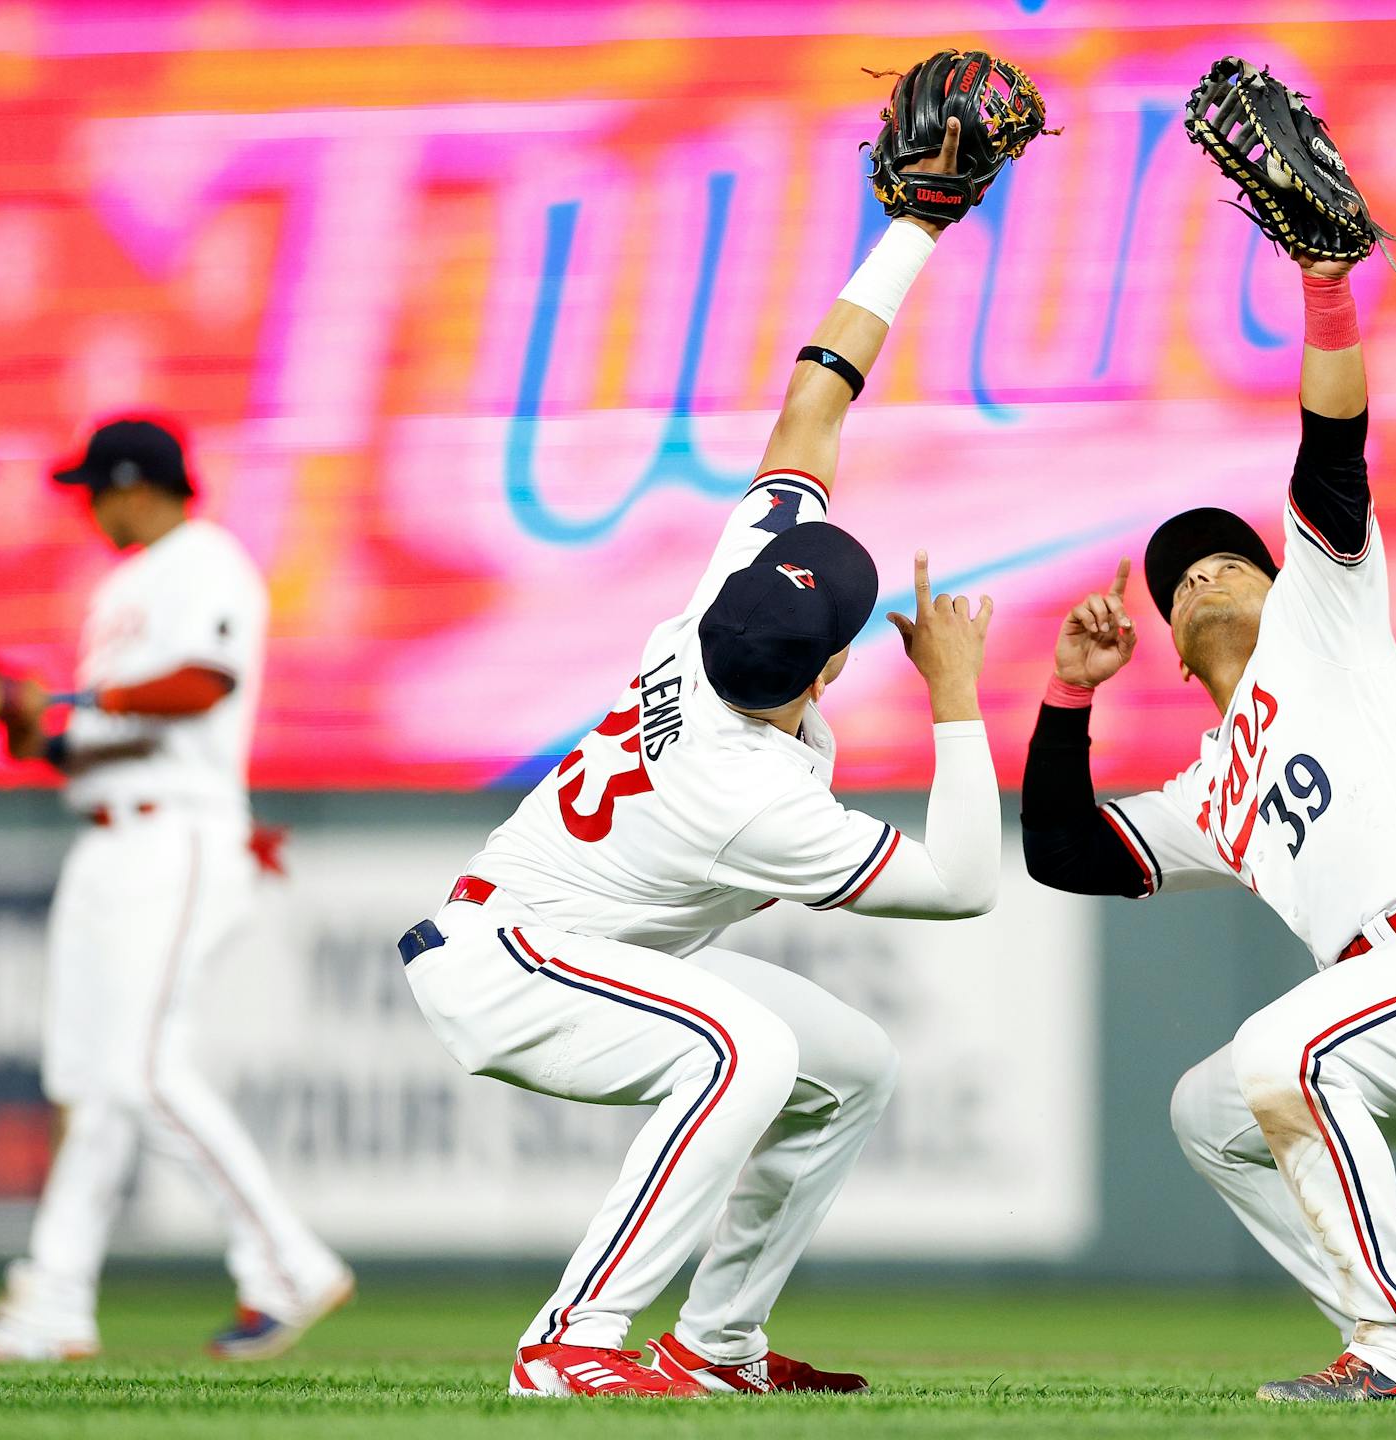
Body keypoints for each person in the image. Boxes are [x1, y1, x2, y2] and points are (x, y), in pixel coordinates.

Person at [396, 116, 1003, 1399]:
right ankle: (572, 1345)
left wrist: (914, 227)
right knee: (742, 1051)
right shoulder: (746, 792)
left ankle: (714, 1346)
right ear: (833, 666)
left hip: (562, 938)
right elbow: (962, 883)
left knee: (852, 1067)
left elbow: (813, 401)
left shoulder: (719, 610)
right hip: (509, 965)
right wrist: (956, 697)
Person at [1019, 249, 1396, 1400]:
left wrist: (1327, 288)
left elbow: (1332, 454)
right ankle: (1387, 1332)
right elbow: (1064, 851)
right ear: (1170, 648)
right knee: (1209, 1112)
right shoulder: (1210, 790)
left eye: (1235, 561)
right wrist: (1068, 694)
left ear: (1289, 579)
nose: (1211, 575)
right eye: (1185, 579)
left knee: (1284, 1052)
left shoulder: (1327, 621)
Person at [0, 418, 354, 1363]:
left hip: (176, 835)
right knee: (89, 1086)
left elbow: (202, 684)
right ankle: (53, 1303)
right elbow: (84, 738)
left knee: (140, 1072)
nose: (91, 506)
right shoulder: (123, 585)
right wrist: (26, 718)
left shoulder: (205, 560)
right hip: (106, 835)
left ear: (135, 483)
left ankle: (286, 1263)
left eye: (96, 488)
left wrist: (69, 704)